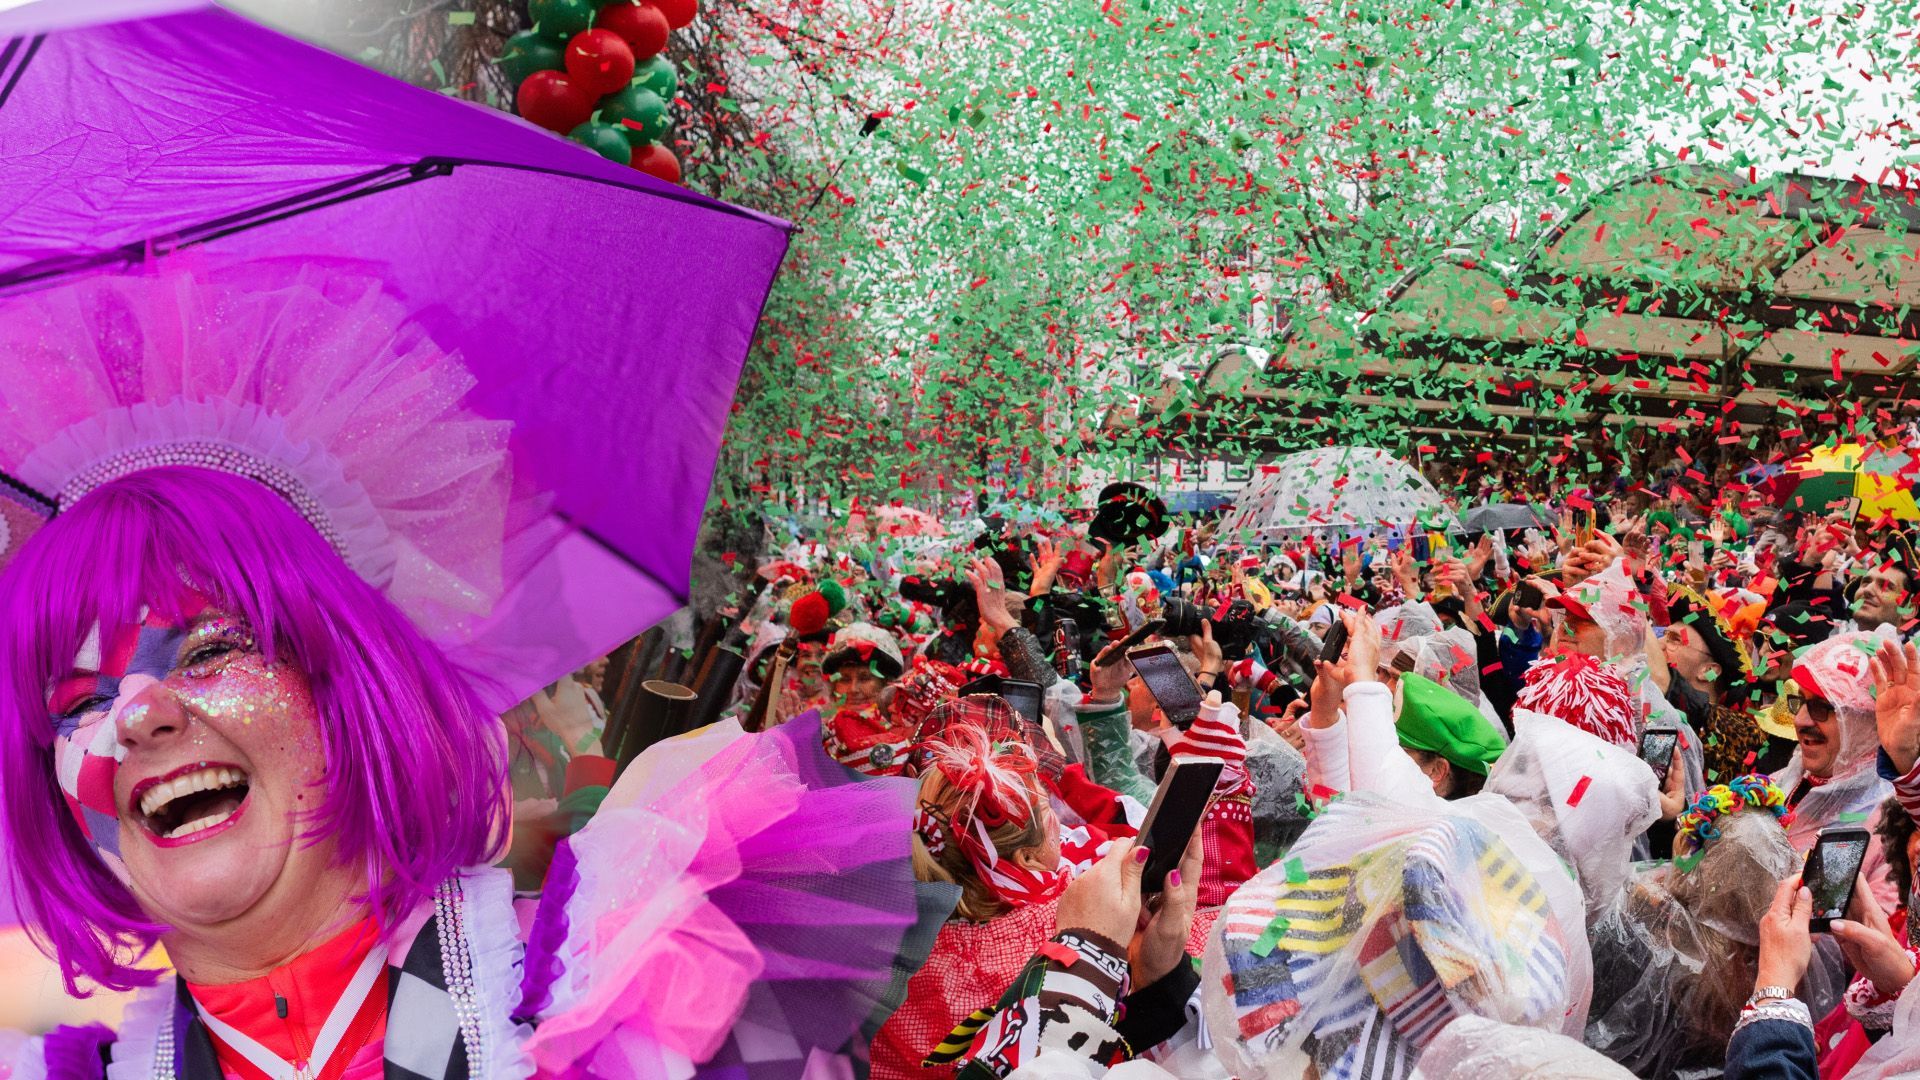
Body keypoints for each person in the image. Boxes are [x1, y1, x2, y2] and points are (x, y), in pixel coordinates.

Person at [0, 267, 923, 1080]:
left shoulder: (628, 997)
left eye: (207, 651)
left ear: (349, 688)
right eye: (81, 700)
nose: (138, 717)